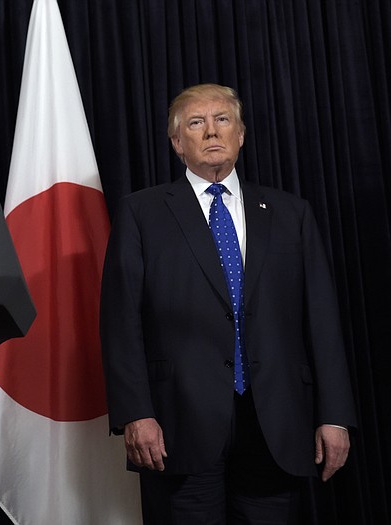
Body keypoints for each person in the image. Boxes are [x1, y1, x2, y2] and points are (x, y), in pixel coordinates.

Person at [100, 83, 357, 524]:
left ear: (241, 135)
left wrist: (335, 415)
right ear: (178, 142)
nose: (211, 132)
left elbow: (322, 320)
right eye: (196, 123)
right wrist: (135, 413)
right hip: (179, 424)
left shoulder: (290, 213)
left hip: (276, 421)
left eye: (222, 120)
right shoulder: (141, 213)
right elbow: (120, 321)